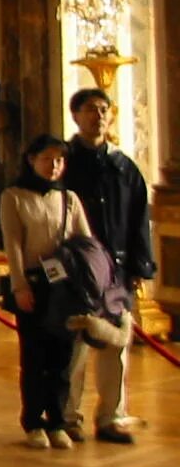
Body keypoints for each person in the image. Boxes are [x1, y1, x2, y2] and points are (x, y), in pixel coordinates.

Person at [63, 87, 155, 444]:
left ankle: (111, 416)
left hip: (116, 272)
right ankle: (68, 416)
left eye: (104, 109)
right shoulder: (64, 162)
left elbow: (138, 220)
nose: (98, 116)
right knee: (76, 348)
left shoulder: (124, 167)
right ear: (76, 115)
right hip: (78, 271)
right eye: (90, 109)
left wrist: (139, 267)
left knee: (116, 347)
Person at [1, 133, 94, 450]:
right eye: (47, 159)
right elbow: (12, 244)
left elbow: (85, 241)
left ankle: (57, 420)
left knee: (62, 357)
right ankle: (33, 420)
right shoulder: (13, 197)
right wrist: (19, 285)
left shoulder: (69, 199)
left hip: (64, 287)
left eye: (59, 160)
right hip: (32, 282)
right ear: (32, 160)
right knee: (34, 354)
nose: (54, 166)